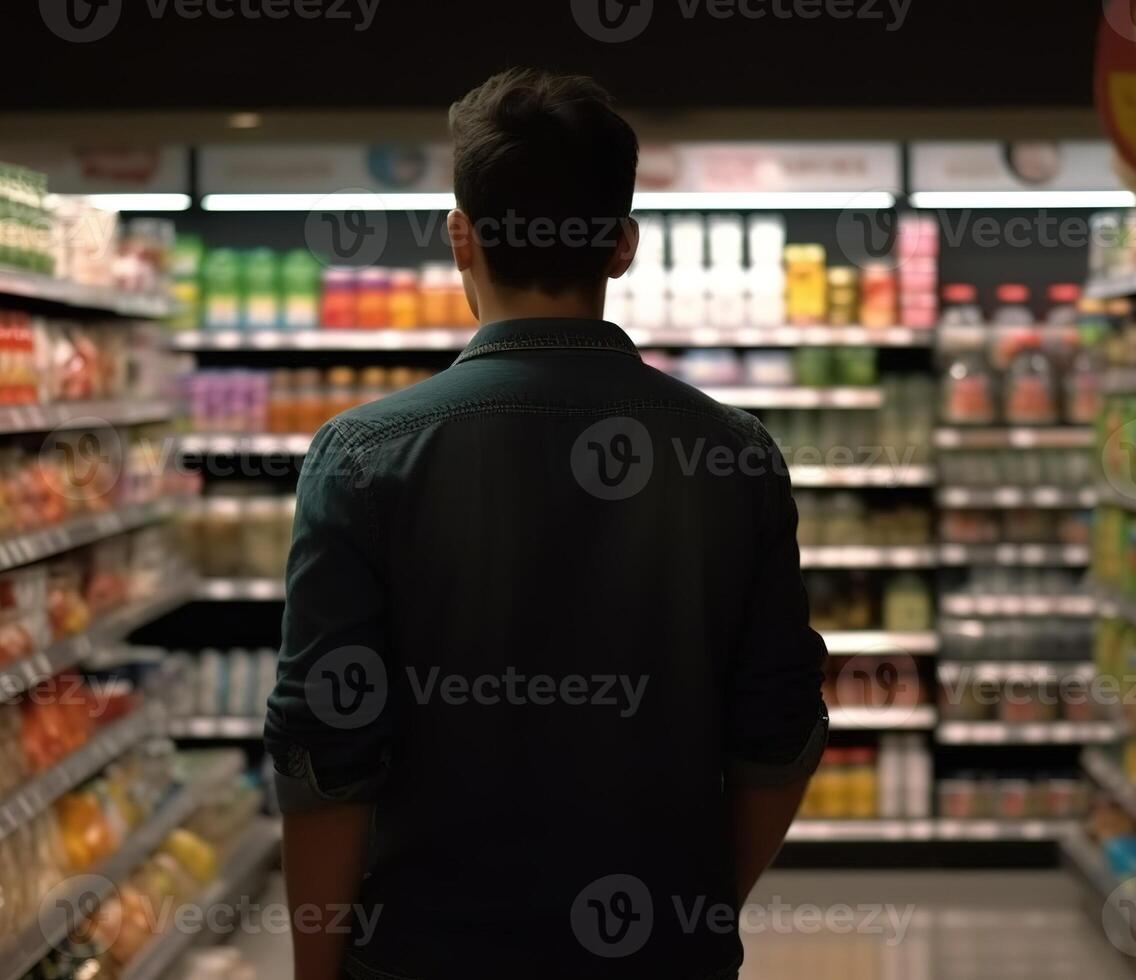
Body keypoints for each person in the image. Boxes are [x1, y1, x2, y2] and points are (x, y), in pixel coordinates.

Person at [265, 67, 826, 980]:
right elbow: (781, 730)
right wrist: (696, 908)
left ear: (459, 239)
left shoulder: (362, 455)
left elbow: (324, 750)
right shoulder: (734, 453)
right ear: (621, 246)